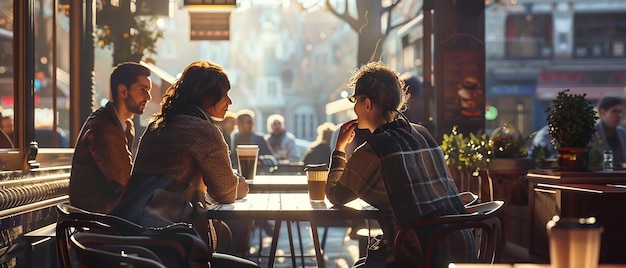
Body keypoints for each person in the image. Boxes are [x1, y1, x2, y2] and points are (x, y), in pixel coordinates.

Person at [326, 61, 474, 267]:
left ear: (367, 103)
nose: (354, 108)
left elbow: (336, 195)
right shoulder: (423, 133)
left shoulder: (373, 150)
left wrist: (339, 149)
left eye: (355, 101)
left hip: (419, 256)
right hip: (461, 248)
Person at [111, 60, 257, 268]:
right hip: (169, 245)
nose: (230, 101)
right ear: (207, 96)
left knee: (225, 234)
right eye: (224, 94)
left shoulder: (156, 126)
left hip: (130, 238)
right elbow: (226, 192)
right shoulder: (204, 131)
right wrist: (241, 185)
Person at [68, 62, 152, 213]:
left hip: (110, 214)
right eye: (142, 89)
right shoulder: (103, 127)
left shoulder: (123, 125)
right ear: (123, 91)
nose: (148, 96)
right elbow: (125, 182)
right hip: (97, 220)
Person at [590, 96, 626, 167]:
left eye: (620, 111)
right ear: (603, 112)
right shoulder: (592, 132)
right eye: (614, 111)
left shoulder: (622, 132)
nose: (618, 115)